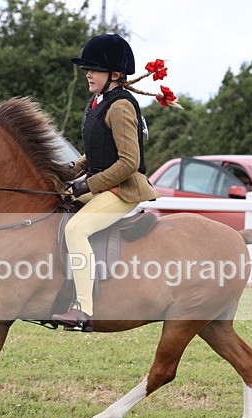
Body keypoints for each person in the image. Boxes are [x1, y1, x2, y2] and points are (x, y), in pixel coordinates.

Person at [51, 34, 162, 332]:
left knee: (76, 229)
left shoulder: (121, 106)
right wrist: (71, 170)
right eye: (87, 69)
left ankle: (83, 311)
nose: (88, 74)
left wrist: (88, 185)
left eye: (94, 69)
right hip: (104, 184)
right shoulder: (99, 100)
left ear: (114, 74)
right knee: (56, 202)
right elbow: (100, 150)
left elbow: (128, 163)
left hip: (124, 189)